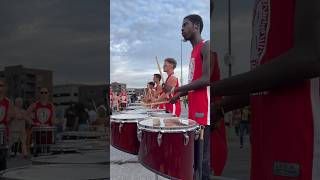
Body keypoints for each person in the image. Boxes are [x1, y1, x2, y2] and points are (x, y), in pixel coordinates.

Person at [209, 0, 320, 179]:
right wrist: (223, 106)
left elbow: (310, 57)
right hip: (265, 142)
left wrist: (212, 89)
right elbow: (266, 79)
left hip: (302, 141)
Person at [168, 14, 211, 179]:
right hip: (193, 112)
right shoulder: (193, 51)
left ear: (197, 26)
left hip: (203, 113)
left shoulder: (206, 46)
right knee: (195, 161)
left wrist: (178, 88)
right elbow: (194, 83)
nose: (182, 29)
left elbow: (206, 79)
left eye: (185, 25)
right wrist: (178, 95)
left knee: (203, 162)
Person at [27, 87, 56, 156]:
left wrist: (55, 122)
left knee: (48, 153)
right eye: (42, 92)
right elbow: (26, 114)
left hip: (48, 131)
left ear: (48, 94)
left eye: (45, 92)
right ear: (39, 94)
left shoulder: (51, 106)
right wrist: (32, 122)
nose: (44, 94)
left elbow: (53, 120)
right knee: (37, 153)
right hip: (37, 132)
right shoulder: (35, 105)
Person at [0, 79, 14, 170]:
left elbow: (9, 119)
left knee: (1, 158)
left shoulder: (9, 102)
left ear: (5, 88)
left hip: (3, 132)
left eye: (1, 86)